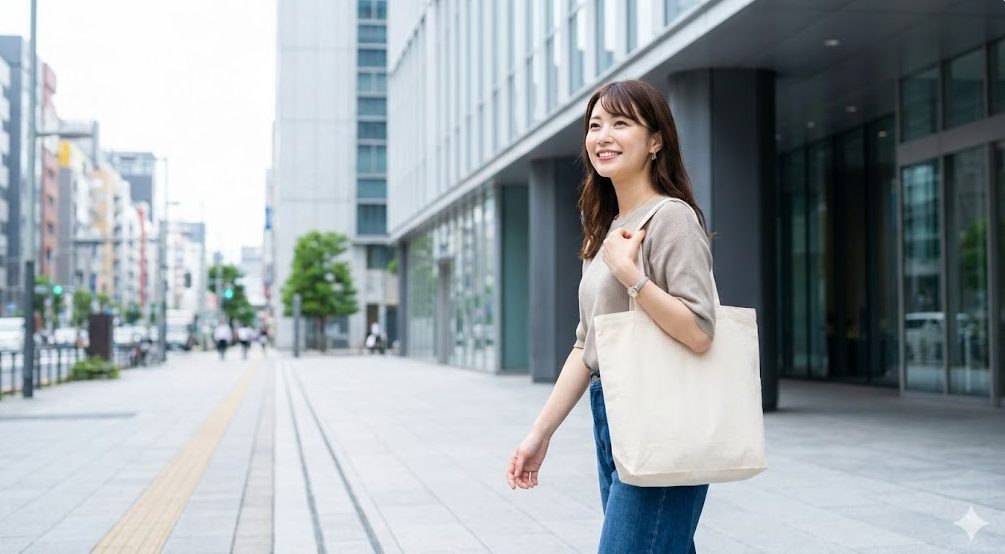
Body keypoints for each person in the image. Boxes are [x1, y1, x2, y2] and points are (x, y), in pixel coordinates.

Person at [506, 80, 716, 553]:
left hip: (662, 413)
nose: (603, 135)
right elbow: (587, 344)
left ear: (656, 140)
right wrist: (540, 435)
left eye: (621, 124)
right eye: (595, 125)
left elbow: (700, 331)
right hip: (611, 411)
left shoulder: (671, 219)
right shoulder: (604, 230)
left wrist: (632, 277)